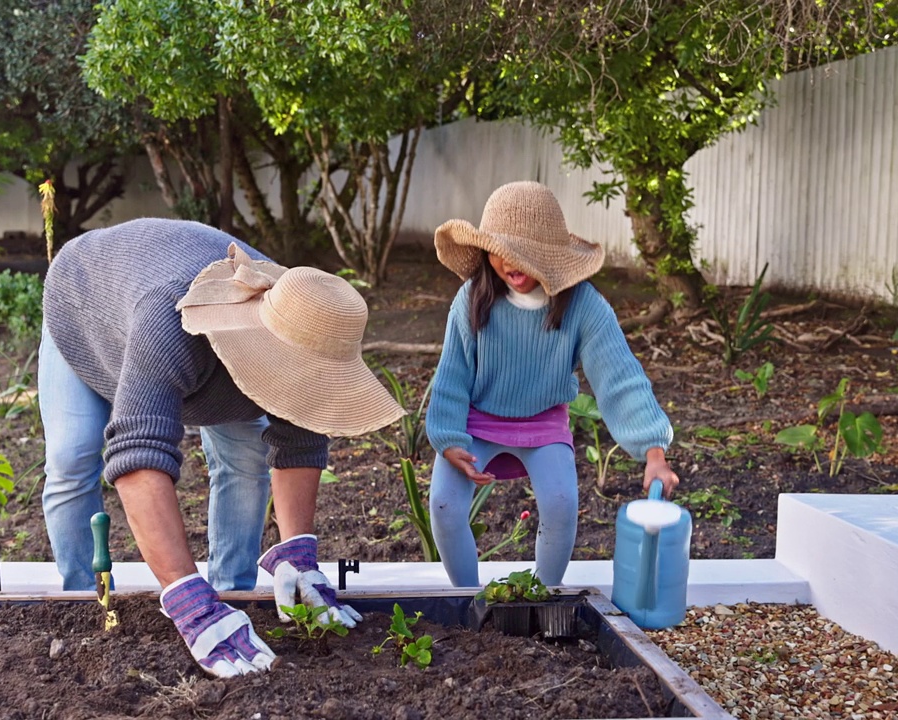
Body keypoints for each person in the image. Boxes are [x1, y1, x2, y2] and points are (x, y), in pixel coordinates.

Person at [39, 218, 405, 677]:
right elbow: (136, 459)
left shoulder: (301, 318)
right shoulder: (168, 323)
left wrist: (298, 553)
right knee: (72, 459)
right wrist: (186, 600)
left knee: (245, 460)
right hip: (86, 303)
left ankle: (231, 592)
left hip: (191, 348)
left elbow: (301, 437)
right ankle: (83, 603)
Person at [423, 181, 680, 589]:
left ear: (552, 256)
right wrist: (449, 438)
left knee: (561, 505)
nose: (511, 262)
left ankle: (541, 597)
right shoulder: (472, 298)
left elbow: (621, 378)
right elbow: (451, 374)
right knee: (443, 504)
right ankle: (467, 598)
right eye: (501, 250)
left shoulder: (584, 306)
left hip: (543, 423)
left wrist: (653, 451)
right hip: (474, 422)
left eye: (526, 252)